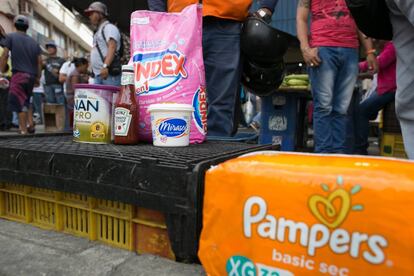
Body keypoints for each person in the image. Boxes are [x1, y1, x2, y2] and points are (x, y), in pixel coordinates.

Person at [148, 0, 279, 137]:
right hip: (182, 21)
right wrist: (159, 14)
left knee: (220, 106)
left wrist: (266, 7)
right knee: (175, 99)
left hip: (224, 19)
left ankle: (216, 154)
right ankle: (176, 151)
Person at [296, 0, 378, 153]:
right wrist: (305, 48)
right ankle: (324, 154)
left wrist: (370, 51)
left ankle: (337, 154)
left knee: (341, 108)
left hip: (350, 50)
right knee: (324, 106)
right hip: (323, 48)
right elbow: (301, 17)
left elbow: (360, 20)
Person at [0, 15, 42, 135]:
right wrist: (38, 77)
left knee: (20, 103)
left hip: (19, 75)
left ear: (14, 25)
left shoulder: (11, 37)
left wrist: (2, 70)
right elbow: (40, 62)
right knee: (26, 101)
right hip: (31, 76)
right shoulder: (34, 42)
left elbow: (5, 54)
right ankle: (30, 125)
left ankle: (23, 130)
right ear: (27, 27)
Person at [354, 41, 396, 155]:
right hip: (385, 88)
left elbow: (376, 64)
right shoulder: (387, 48)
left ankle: (360, 149)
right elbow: (374, 70)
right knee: (365, 109)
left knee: (361, 111)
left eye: (375, 39)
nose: (373, 41)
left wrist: (352, 66)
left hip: (389, 89)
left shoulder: (391, 47)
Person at [384, 1, 414, 159]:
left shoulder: (389, 48)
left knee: (364, 109)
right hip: (389, 90)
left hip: (387, 90)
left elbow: (382, 62)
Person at [85, 2, 122, 87]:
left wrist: (105, 66)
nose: (89, 16)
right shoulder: (98, 31)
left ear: (100, 14)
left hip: (109, 73)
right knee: (101, 100)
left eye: (91, 13)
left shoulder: (109, 27)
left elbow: (112, 47)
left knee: (111, 100)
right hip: (100, 74)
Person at [65, 57, 89, 129]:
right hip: (72, 98)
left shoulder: (77, 73)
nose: (87, 68)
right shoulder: (75, 74)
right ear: (82, 65)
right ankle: (71, 128)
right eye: (86, 66)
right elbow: (75, 89)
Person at [43, 40, 65, 105]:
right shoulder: (45, 60)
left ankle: (61, 115)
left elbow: (64, 73)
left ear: (55, 49)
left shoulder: (61, 60)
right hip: (48, 85)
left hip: (58, 85)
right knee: (50, 105)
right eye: (48, 48)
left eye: (51, 47)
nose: (49, 49)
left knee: (60, 104)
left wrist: (57, 71)